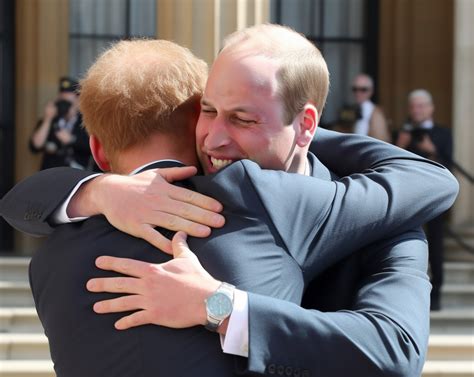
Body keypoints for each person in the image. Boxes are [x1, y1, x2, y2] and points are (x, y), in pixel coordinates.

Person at [0, 27, 458, 377]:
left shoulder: (50, 259)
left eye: (242, 118)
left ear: (304, 125)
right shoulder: (211, 196)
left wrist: (219, 306)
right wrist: (98, 189)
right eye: (210, 111)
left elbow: (395, 350)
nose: (215, 138)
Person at [396, 89, 454, 311]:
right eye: (413, 106)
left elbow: (449, 168)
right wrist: (400, 144)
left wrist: (432, 150)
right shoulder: (403, 132)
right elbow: (391, 165)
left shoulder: (443, 133)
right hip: (410, 199)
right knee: (409, 246)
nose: (417, 110)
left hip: (435, 198)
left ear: (430, 108)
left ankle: (436, 293)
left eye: (421, 106)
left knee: (437, 247)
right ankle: (410, 295)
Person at [29, 77, 92, 170]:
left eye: (68, 102)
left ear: (78, 101)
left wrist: (72, 140)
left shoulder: (86, 122)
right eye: (62, 101)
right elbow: (35, 146)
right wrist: (47, 119)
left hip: (76, 175)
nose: (64, 106)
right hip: (50, 175)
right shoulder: (50, 120)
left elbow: (92, 148)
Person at [351, 73, 391, 142]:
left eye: (363, 89)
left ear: (371, 91)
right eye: (355, 89)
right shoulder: (354, 110)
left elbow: (381, 142)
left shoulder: (376, 114)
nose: (358, 93)